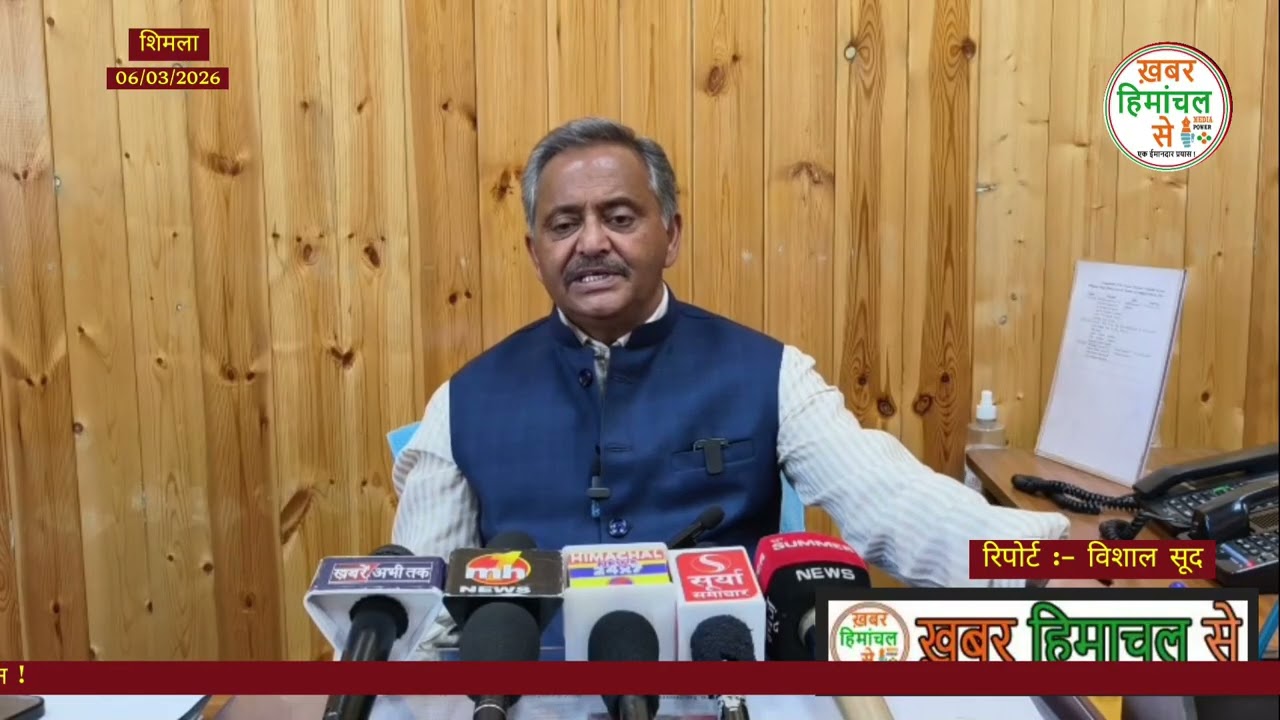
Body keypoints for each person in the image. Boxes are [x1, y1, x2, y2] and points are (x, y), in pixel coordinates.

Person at [392, 117, 1075, 646]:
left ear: (671, 235)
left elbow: (893, 502)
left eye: (620, 218)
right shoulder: (463, 401)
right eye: (564, 224)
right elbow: (420, 609)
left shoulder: (771, 373)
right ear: (535, 254)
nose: (592, 242)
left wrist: (1056, 566)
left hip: (726, 684)